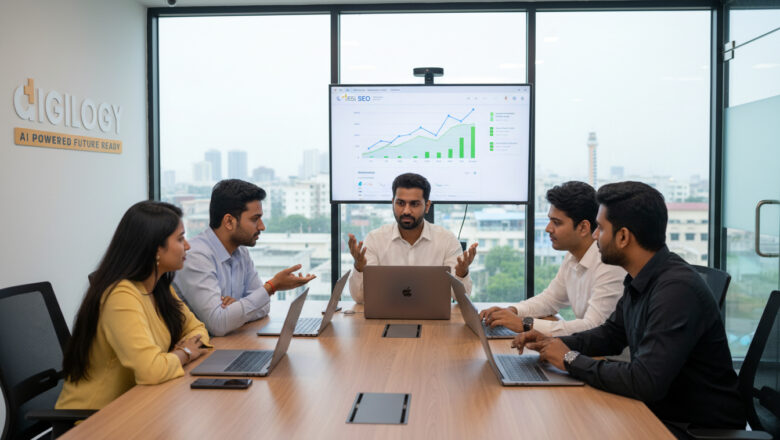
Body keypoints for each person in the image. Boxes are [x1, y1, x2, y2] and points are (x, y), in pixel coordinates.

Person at [513, 181, 745, 433]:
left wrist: (569, 359)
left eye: (600, 228)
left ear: (623, 237)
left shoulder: (676, 291)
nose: (594, 236)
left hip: (693, 427)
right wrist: (557, 343)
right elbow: (610, 335)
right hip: (661, 409)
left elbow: (645, 381)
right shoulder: (640, 277)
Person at [57, 201, 210, 410]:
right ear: (156, 248)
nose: (188, 246)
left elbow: (198, 330)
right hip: (91, 420)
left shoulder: (159, 287)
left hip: (135, 404)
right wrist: (186, 353)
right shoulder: (121, 295)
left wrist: (177, 355)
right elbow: (151, 370)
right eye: (180, 238)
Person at [479, 181, 625, 336]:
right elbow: (550, 299)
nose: (548, 228)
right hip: (588, 351)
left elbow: (593, 327)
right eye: (550, 220)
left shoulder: (609, 263)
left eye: (556, 223)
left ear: (583, 227)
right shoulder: (573, 256)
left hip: (609, 358)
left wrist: (525, 325)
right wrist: (512, 311)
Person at [173, 179, 315, 336]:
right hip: (200, 352)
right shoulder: (196, 256)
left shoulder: (241, 252)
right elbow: (219, 324)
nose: (262, 226)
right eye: (255, 219)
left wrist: (237, 310)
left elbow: (263, 307)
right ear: (229, 221)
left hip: (225, 345)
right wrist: (271, 286)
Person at [347, 172, 478, 303]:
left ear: (427, 206)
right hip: (385, 318)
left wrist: (461, 273)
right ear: (393, 203)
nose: (406, 211)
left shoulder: (446, 240)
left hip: (434, 320)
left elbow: (461, 298)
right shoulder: (375, 239)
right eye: (400, 203)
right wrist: (359, 267)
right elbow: (359, 298)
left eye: (414, 204)